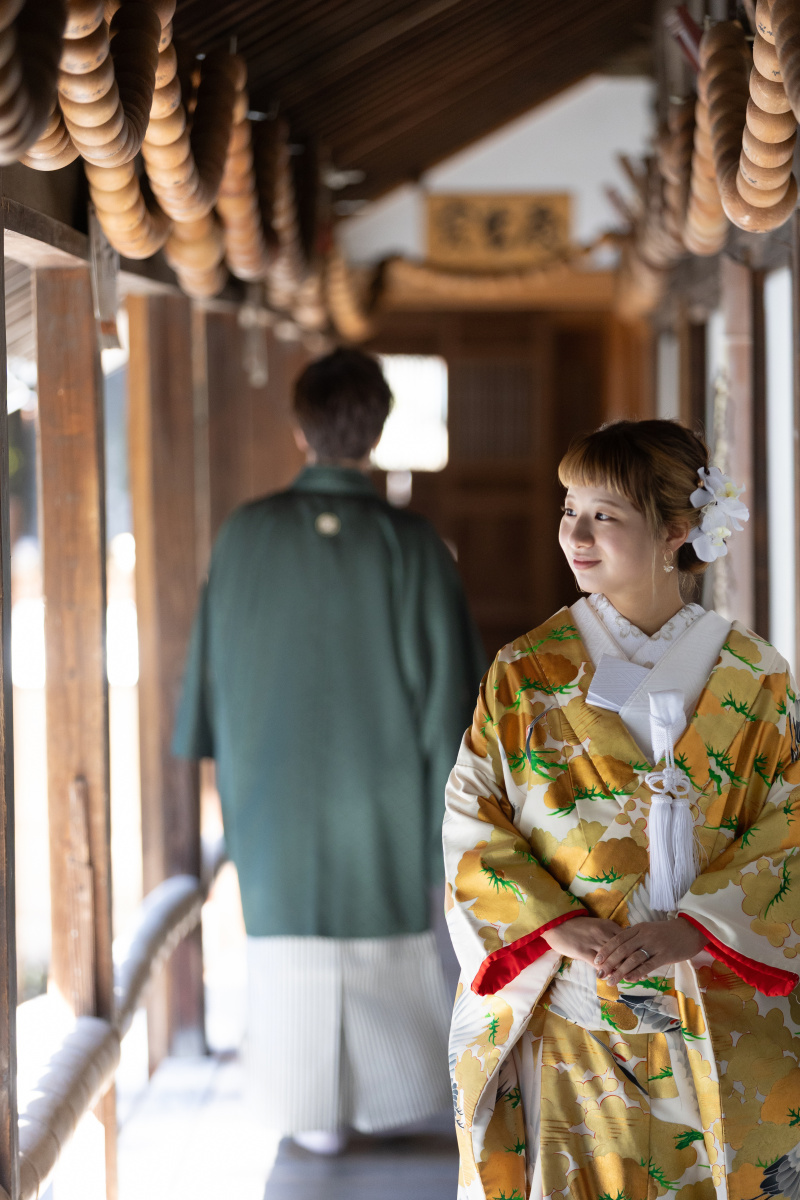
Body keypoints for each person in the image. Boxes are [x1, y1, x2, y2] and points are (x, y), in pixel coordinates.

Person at [443, 419, 800, 1200]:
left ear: (678, 530)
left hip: (712, 1003)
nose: (574, 532)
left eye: (605, 514)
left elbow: (791, 823)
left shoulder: (755, 674)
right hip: (576, 1003)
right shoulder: (527, 671)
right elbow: (476, 816)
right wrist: (557, 925)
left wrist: (694, 927)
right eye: (569, 508)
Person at [174, 347, 485, 1154]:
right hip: (384, 799)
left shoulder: (245, 534)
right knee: (388, 946)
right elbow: (450, 695)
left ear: (297, 427)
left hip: (272, 795)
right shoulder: (413, 544)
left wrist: (209, 765)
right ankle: (393, 1098)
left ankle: (308, 1112)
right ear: (377, 431)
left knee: (287, 961)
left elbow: (206, 678)